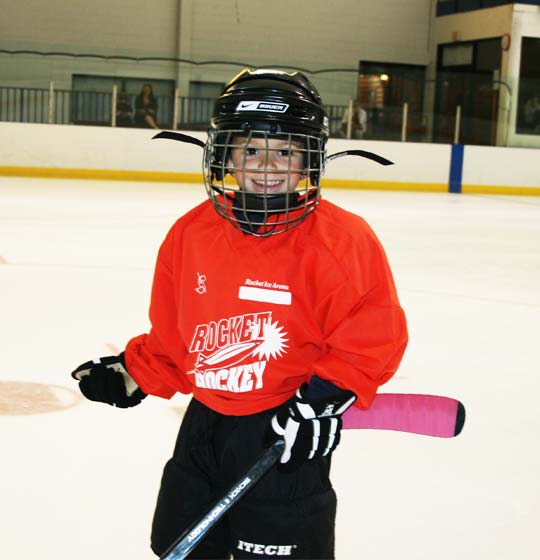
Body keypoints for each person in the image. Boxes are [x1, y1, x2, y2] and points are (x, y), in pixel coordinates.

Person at [71, 69, 408, 559]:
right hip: (204, 429)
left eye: (286, 151)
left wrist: (323, 399)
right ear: (224, 153)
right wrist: (136, 372)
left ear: (310, 158)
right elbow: (177, 335)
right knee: (178, 547)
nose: (267, 165)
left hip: (284, 433)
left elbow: (370, 336)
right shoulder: (190, 234)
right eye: (250, 149)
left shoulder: (343, 241)